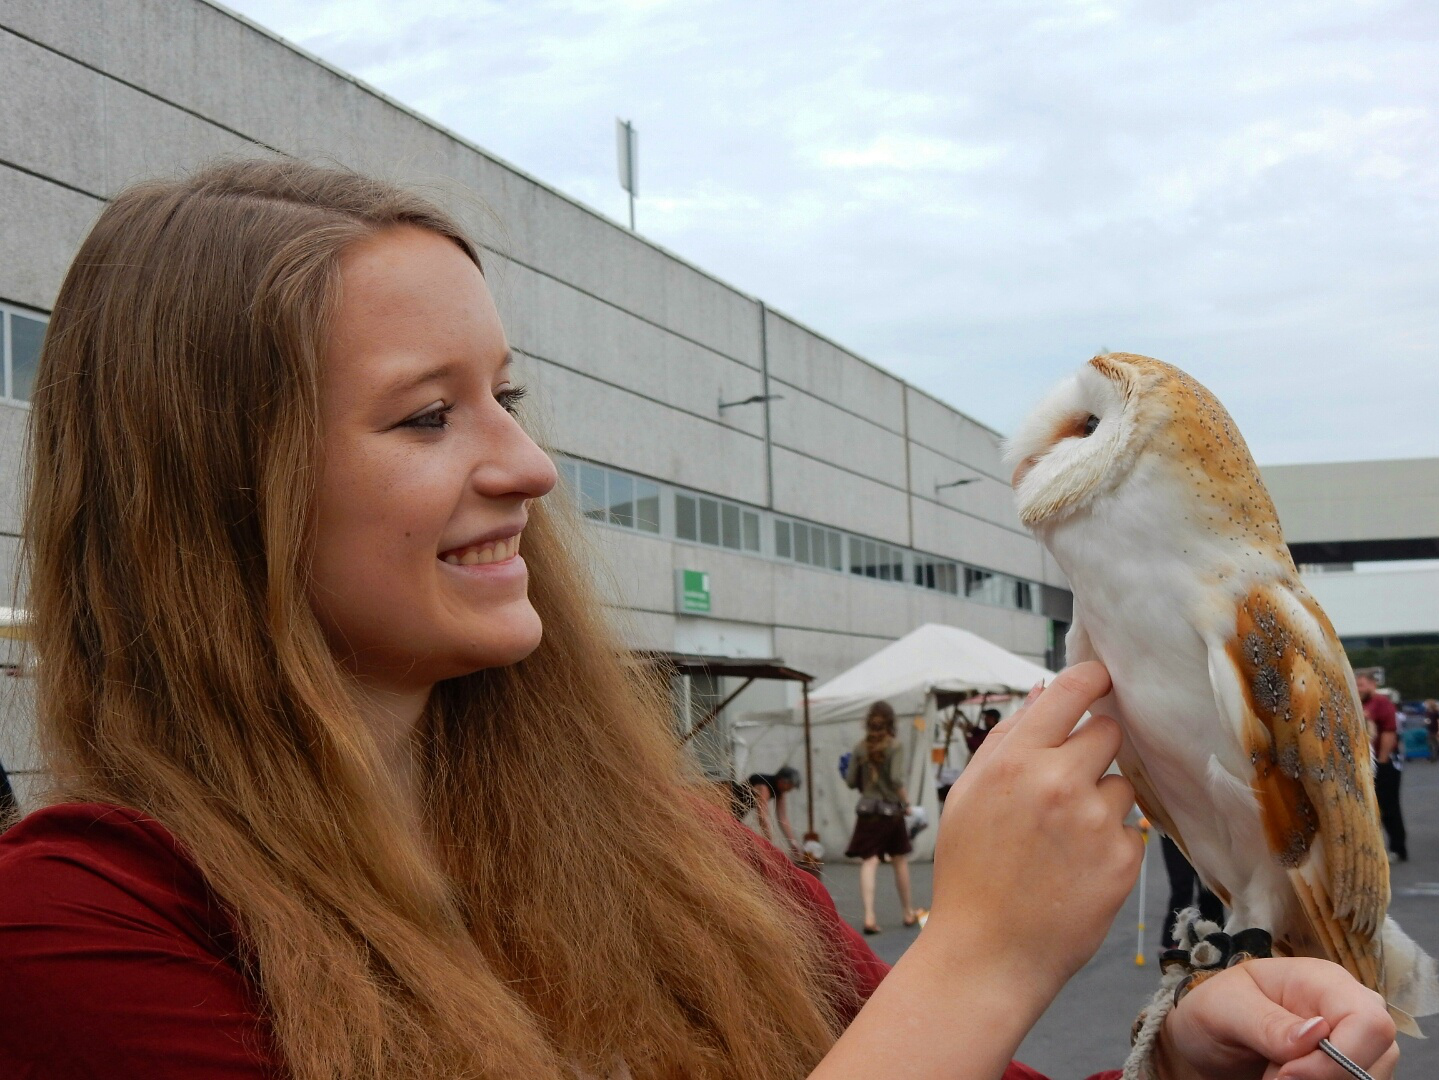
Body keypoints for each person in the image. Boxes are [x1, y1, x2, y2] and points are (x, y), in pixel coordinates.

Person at [0, 160, 1398, 1080]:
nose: (525, 467)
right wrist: (976, 950)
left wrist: (1170, 1066)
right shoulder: (86, 930)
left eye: (511, 397)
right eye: (430, 415)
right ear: (214, 490)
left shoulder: (667, 849)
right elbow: (931, 1028)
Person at [844, 702, 916, 934]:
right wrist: (907, 803)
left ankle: (869, 916)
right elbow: (896, 780)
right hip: (891, 813)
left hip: (867, 812)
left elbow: (851, 782)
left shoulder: (859, 748)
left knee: (869, 861)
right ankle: (907, 912)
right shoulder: (895, 746)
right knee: (899, 860)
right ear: (891, 722)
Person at [1357, 670, 1407, 863]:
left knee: (1388, 806)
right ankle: (1370, 849)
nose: (1358, 689)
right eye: (1356, 685)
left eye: (1361, 685)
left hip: (1384, 760)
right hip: (1366, 763)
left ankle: (1397, 847)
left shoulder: (1382, 703)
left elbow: (1389, 732)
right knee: (1367, 808)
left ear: (1372, 685)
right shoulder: (1359, 704)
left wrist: (1383, 760)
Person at [1159, 834, 1224, 951]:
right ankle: (1174, 941)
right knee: (1182, 886)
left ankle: (1215, 939)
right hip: (1173, 829)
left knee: (1211, 887)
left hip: (1205, 829)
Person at [747, 766, 803, 857]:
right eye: (790, 787)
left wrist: (793, 842)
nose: (789, 790)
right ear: (782, 781)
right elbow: (762, 815)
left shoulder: (780, 791)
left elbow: (783, 818)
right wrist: (769, 842)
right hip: (732, 809)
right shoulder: (764, 786)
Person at [1425, 698, 1439, 763]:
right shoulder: (1427, 712)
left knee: (1434, 744)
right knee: (1431, 744)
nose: (1425, 705)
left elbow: (1438, 721)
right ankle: (1433, 756)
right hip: (1429, 729)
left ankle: (1434, 757)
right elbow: (1427, 720)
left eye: (1427, 704)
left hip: (1435, 729)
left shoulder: (1436, 713)